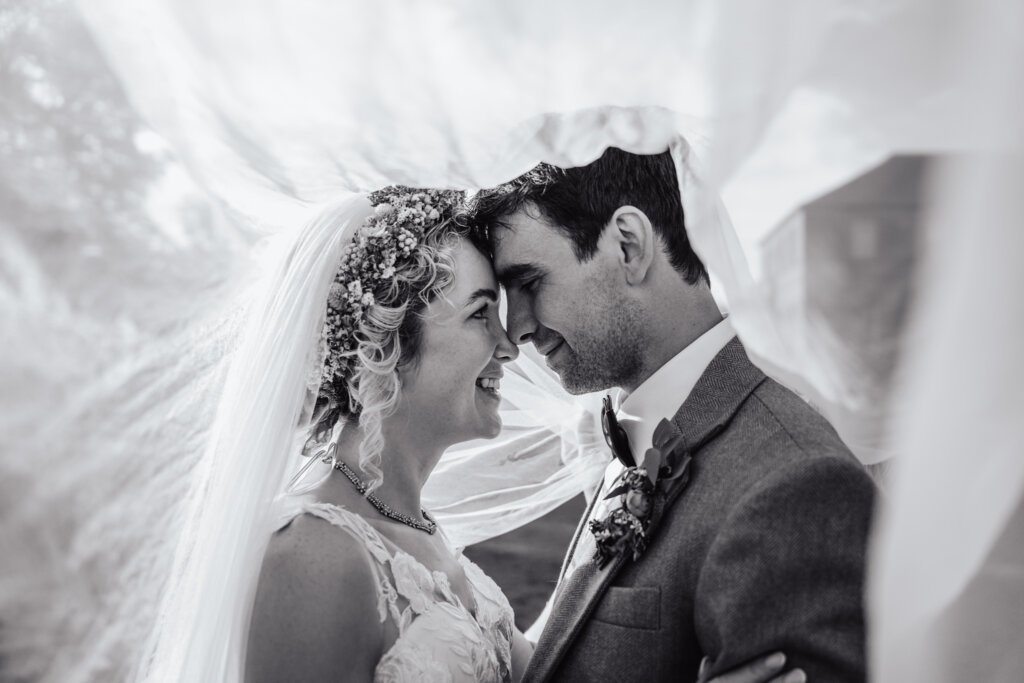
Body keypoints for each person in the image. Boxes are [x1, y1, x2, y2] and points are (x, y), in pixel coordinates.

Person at [242, 186, 807, 682]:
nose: (511, 344)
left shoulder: (416, 529)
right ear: (385, 351)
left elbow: (550, 667)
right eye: (479, 313)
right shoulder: (310, 556)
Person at [463, 147, 877, 682]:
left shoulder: (795, 484)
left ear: (629, 245)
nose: (516, 328)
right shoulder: (640, 433)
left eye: (530, 283)